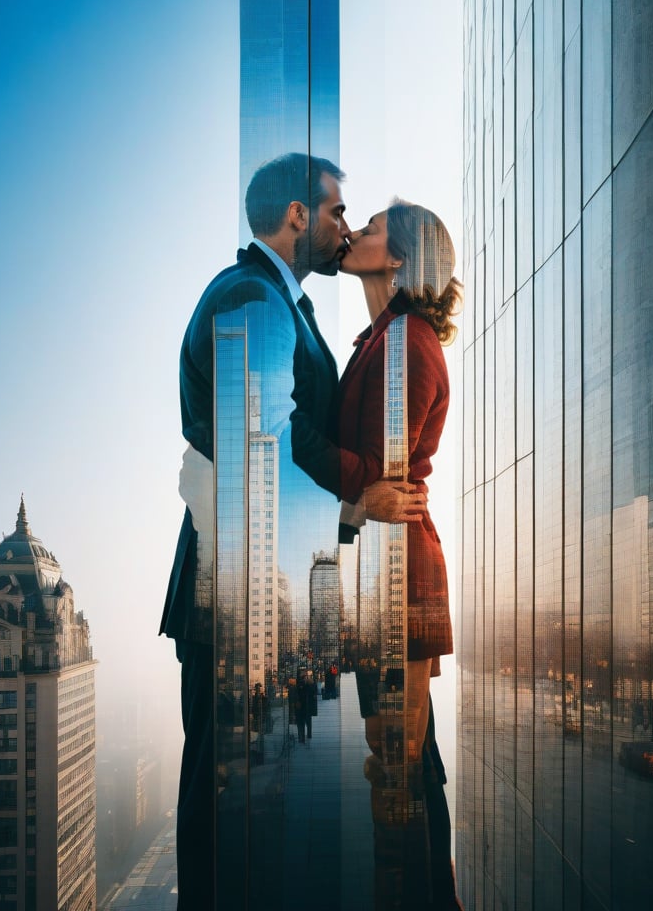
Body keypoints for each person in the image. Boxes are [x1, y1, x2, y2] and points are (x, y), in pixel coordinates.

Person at [159, 153, 418, 909]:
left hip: (257, 592)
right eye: (339, 211)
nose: (345, 226)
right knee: (226, 804)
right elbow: (262, 444)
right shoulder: (250, 296)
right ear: (299, 215)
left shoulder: (281, 300)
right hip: (238, 594)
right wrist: (354, 505)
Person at [336, 198, 463, 910]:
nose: (359, 230)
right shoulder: (381, 338)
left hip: (397, 578)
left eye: (377, 225)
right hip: (384, 577)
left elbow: (382, 474)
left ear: (400, 257)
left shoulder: (406, 341)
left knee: (397, 777)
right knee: (407, 769)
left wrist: (326, 480)